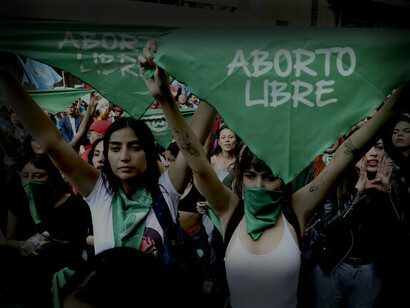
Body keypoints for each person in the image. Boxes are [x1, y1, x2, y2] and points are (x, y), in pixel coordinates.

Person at [138, 44, 409, 308]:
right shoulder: (229, 210)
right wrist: (165, 100)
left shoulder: (296, 210)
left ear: (284, 179)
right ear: (240, 178)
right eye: (251, 176)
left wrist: (393, 106)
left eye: (269, 177)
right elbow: (195, 159)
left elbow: (347, 154)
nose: (259, 186)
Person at [0, 58, 217, 303]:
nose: (124, 156)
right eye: (115, 148)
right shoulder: (100, 192)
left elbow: (193, 143)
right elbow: (53, 143)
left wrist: (203, 87)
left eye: (134, 147)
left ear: (148, 151)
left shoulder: (166, 189)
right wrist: (7, 81)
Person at [306, 137, 409, 308]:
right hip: (332, 266)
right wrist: (355, 196)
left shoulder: (393, 183)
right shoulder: (336, 179)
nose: (373, 153)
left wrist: (388, 194)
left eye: (379, 147)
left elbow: (401, 232)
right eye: (367, 147)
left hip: (370, 270)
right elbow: (326, 228)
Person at [4, 154, 91, 307]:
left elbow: (79, 246)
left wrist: (56, 243)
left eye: (38, 175)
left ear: (52, 177)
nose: (30, 181)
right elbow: (9, 240)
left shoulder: (75, 206)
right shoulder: (18, 202)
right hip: (25, 270)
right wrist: (21, 245)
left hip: (60, 269)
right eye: (25, 176)